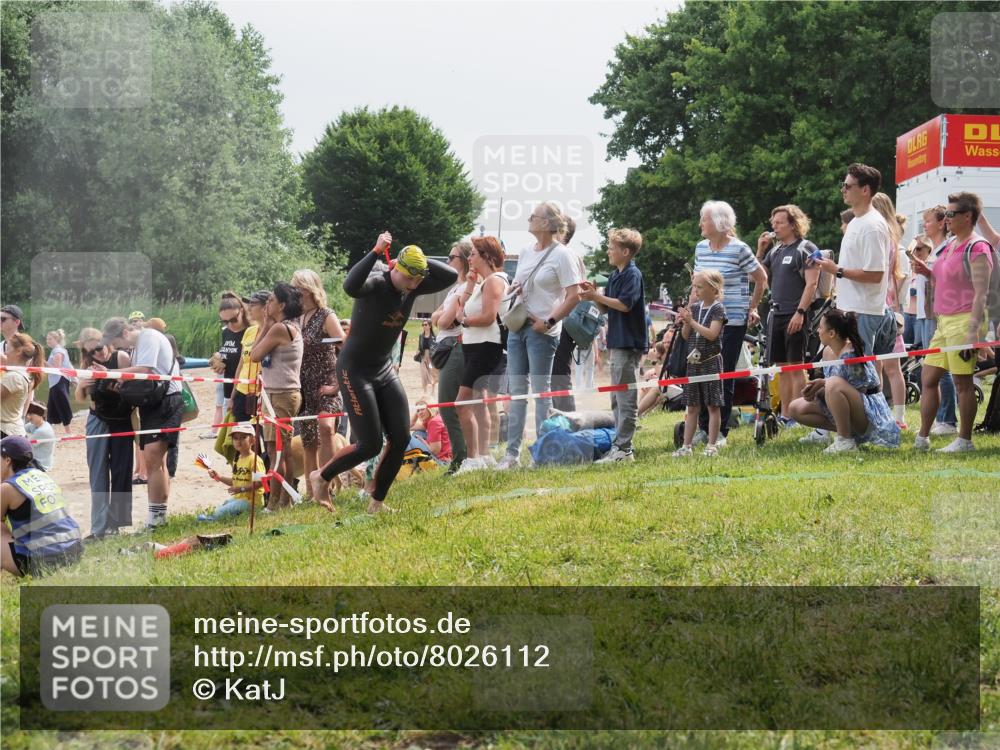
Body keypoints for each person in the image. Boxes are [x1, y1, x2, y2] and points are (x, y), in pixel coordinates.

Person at [309, 236, 456, 513]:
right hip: (355, 370)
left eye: (418, 281)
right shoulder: (376, 281)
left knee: (400, 438)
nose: (413, 287)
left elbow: (451, 275)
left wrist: (418, 259)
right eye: (409, 279)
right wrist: (376, 250)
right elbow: (350, 286)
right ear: (395, 268)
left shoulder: (413, 283)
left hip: (384, 370)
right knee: (369, 444)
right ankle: (321, 476)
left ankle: (377, 502)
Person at [499, 203, 583, 470]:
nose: (528, 219)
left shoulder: (562, 255)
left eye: (533, 216)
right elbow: (525, 284)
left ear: (546, 224)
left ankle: (542, 453)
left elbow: (574, 296)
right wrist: (516, 287)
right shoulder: (525, 252)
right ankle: (512, 455)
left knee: (541, 391)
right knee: (516, 393)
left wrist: (549, 321)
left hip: (542, 332)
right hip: (518, 326)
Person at [912, 192, 994, 453]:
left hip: (966, 319)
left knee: (962, 382)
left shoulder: (977, 247)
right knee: (928, 376)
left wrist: (974, 332)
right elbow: (940, 276)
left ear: (967, 216)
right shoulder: (949, 246)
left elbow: (983, 292)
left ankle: (964, 440)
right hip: (944, 321)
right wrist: (925, 270)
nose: (946, 218)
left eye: (950, 214)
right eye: (945, 214)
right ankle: (923, 436)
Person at [690, 200, 768, 446]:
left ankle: (720, 430)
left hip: (731, 320)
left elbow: (761, 278)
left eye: (705, 219)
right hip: (702, 319)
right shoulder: (701, 248)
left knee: (723, 373)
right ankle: (704, 427)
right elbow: (696, 286)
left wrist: (752, 307)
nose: (701, 223)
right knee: (701, 372)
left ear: (720, 223)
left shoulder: (739, 249)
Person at [97, 317, 182, 528]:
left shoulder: (149, 337)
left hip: (165, 401)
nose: (117, 348)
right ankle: (158, 517)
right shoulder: (140, 344)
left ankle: (156, 519)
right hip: (155, 402)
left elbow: (146, 371)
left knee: (153, 460)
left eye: (116, 343)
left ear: (125, 333)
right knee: (156, 461)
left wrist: (110, 373)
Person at [787, 309, 900, 453]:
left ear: (832, 333)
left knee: (833, 383)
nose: (817, 331)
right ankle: (842, 433)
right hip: (848, 405)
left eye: (820, 327)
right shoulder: (827, 351)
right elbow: (835, 391)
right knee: (795, 408)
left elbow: (855, 390)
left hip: (870, 415)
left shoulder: (850, 355)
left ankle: (845, 440)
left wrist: (823, 384)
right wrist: (815, 391)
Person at [813, 164, 895, 358]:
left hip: (863, 311)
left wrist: (837, 270)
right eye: (844, 184)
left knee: (858, 374)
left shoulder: (873, 225)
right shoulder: (857, 222)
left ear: (865, 190)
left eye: (848, 186)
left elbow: (875, 275)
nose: (843, 189)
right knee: (842, 366)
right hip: (851, 309)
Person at [580, 227, 647, 463]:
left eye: (612, 248)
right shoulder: (616, 275)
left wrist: (598, 297)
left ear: (626, 251)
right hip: (617, 341)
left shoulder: (632, 275)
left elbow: (625, 305)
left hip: (629, 343)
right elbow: (607, 308)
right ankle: (619, 445)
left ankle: (624, 449)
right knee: (616, 398)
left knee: (626, 398)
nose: (608, 251)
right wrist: (593, 295)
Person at [756, 205, 820, 423]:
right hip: (776, 314)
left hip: (797, 314)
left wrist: (800, 313)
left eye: (779, 222)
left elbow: (812, 284)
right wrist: (760, 251)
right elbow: (758, 277)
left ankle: (799, 414)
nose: (774, 226)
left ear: (793, 224)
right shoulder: (775, 251)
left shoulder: (806, 248)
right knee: (782, 368)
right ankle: (785, 414)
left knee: (796, 366)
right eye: (773, 222)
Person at [453, 236, 508, 474]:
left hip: (486, 346)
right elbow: (459, 309)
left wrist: (465, 321)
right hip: (475, 346)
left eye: (473, 253)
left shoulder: (495, 281)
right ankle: (483, 455)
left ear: (486, 256)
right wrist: (469, 285)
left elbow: (487, 316)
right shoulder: (481, 283)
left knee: (462, 403)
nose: (469, 258)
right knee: (478, 402)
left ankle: (474, 457)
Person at [74, 327, 134, 539]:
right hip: (97, 418)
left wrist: (115, 381)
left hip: (122, 420)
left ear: (107, 342)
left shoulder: (122, 357)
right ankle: (98, 528)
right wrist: (81, 385)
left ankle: (115, 525)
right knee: (97, 473)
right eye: (91, 352)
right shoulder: (87, 364)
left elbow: (134, 387)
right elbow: (80, 398)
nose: (97, 354)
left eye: (99, 348)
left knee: (121, 471)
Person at [292, 269, 346, 496]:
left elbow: (345, 347)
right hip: (302, 384)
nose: (294, 291)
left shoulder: (326, 315)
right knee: (308, 440)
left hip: (326, 381)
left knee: (326, 428)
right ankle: (311, 492)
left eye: (296, 287)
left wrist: (338, 384)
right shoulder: (294, 318)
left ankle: (328, 482)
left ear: (307, 289)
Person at [250, 282, 304, 509]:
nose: (267, 304)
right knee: (276, 450)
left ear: (282, 305)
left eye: (271, 300)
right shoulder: (285, 326)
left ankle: (280, 501)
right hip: (276, 394)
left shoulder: (280, 328)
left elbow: (254, 355)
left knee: (281, 452)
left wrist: (264, 325)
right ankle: (281, 500)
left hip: (283, 395)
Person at [2, 436, 83, 577]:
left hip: (42, 562)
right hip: (74, 551)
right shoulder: (42, 475)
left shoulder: (7, 488)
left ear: (8, 460)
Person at [673, 270, 727, 457]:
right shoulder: (695, 308)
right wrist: (686, 321)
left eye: (699, 287)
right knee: (692, 406)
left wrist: (692, 322)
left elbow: (712, 334)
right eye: (694, 286)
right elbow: (686, 336)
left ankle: (712, 445)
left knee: (713, 405)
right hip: (693, 363)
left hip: (711, 361)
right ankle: (686, 446)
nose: (695, 290)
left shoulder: (718, 309)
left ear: (713, 289)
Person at [430, 241, 472, 472]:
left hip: (456, 348)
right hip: (448, 348)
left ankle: (460, 458)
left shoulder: (466, 288)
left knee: (448, 405)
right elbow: (437, 316)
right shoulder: (454, 289)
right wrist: (441, 315)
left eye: (452, 257)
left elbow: (444, 321)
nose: (447, 261)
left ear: (463, 259)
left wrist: (441, 316)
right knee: (451, 405)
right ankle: (462, 455)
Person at [918, 205, 959, 436]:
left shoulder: (947, 248)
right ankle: (940, 418)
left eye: (928, 221)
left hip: (940, 313)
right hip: (928, 313)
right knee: (931, 368)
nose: (925, 225)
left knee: (941, 369)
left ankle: (947, 420)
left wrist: (927, 271)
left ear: (942, 223)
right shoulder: (935, 250)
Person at [870, 193, 911, 429]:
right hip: (889, 307)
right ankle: (898, 416)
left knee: (878, 365)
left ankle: (881, 413)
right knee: (893, 368)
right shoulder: (893, 238)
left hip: (879, 307)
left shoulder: (879, 235)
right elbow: (898, 280)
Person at [199, 423, 265, 521]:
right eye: (235, 438)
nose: (239, 441)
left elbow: (260, 483)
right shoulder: (237, 459)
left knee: (221, 512)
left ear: (252, 440)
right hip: (241, 498)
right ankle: (223, 517)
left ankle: (210, 520)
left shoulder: (255, 460)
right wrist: (219, 477)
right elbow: (235, 481)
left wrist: (241, 489)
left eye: (243, 437)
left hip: (253, 502)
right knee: (224, 505)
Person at [551, 217, 584, 412]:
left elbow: (574, 293)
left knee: (559, 375)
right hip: (562, 320)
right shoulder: (572, 255)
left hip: (562, 320)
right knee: (557, 374)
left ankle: (568, 421)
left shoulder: (565, 255)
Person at [206, 293, 249, 439]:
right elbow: (226, 354)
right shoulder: (226, 332)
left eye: (233, 319)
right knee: (231, 440)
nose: (229, 324)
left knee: (242, 438)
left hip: (243, 392)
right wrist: (218, 359)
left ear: (242, 311)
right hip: (227, 388)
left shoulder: (249, 332)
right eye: (224, 321)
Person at [233, 291, 267, 423]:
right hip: (242, 391)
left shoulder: (275, 331)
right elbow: (241, 364)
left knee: (261, 438)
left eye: (253, 304)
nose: (249, 308)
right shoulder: (249, 331)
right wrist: (233, 396)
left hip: (262, 394)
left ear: (266, 307)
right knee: (241, 436)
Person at [1, 333, 44, 438]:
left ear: (19, 351)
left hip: (6, 432)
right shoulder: (23, 374)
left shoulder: (14, 377)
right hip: (13, 430)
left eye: (7, 348)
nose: (5, 353)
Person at [44, 329, 75, 434]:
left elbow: (56, 369)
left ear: (56, 339)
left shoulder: (58, 351)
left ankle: (68, 432)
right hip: (55, 382)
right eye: (47, 339)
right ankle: (47, 430)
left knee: (62, 404)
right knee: (51, 406)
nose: (47, 341)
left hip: (59, 381)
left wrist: (43, 361)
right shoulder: (59, 350)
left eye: (50, 339)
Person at [25, 402, 56, 471]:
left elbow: (25, 445)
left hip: (40, 465)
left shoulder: (43, 430)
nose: (28, 417)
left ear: (41, 415)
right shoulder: (35, 424)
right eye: (28, 413)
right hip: (35, 461)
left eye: (31, 414)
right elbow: (22, 428)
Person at [416, 320, 437, 395]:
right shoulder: (421, 336)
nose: (424, 326)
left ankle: (433, 390)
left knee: (432, 374)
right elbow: (419, 346)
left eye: (425, 324)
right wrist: (417, 352)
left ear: (429, 326)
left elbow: (436, 347)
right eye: (423, 324)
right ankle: (425, 392)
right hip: (423, 356)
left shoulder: (434, 337)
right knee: (423, 374)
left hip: (431, 357)